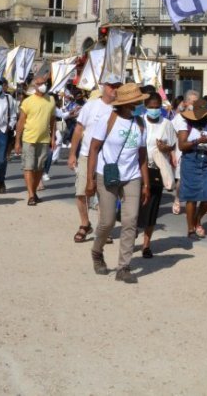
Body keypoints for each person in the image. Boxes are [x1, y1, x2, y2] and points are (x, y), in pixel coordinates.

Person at [86, 83, 149, 282]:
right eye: (137, 102)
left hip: (132, 177)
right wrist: (90, 180)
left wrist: (146, 183)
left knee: (131, 220)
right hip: (107, 174)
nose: (141, 104)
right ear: (126, 104)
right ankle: (97, 252)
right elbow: (94, 149)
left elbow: (142, 154)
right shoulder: (107, 119)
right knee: (108, 221)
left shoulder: (140, 123)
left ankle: (124, 267)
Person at [69, 76, 120, 243]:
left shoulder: (119, 108)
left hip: (109, 159)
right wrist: (72, 154)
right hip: (86, 155)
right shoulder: (90, 106)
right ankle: (85, 224)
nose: (115, 89)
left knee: (105, 195)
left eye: (118, 86)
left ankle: (103, 228)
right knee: (82, 192)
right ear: (104, 87)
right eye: (112, 86)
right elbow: (78, 130)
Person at [139, 90, 176, 258]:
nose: (154, 110)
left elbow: (173, 146)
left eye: (157, 107)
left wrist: (165, 148)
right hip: (138, 168)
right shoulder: (139, 122)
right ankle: (131, 235)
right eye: (151, 107)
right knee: (135, 206)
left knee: (152, 208)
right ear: (145, 107)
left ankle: (146, 244)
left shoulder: (167, 124)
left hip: (155, 170)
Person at [177, 99, 207, 240]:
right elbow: (182, 145)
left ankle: (197, 219)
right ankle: (190, 229)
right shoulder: (186, 125)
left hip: (206, 160)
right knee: (192, 197)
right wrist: (197, 141)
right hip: (191, 160)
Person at [13, 74, 54, 206]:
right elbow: (20, 122)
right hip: (29, 139)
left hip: (44, 140)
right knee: (29, 167)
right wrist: (17, 141)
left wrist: (53, 138)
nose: (44, 85)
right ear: (35, 86)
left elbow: (52, 121)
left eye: (45, 83)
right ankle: (31, 194)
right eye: (41, 83)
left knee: (39, 168)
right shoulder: (27, 102)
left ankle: (34, 191)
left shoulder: (51, 100)